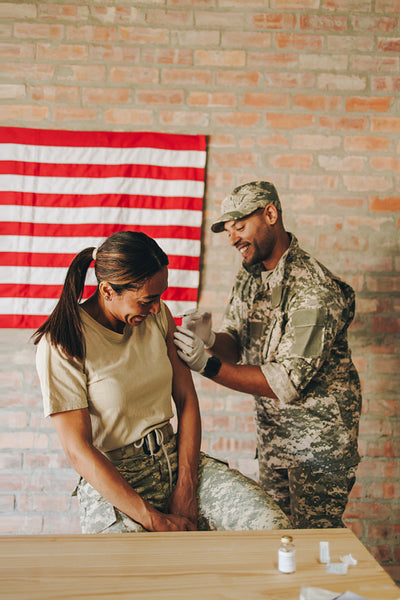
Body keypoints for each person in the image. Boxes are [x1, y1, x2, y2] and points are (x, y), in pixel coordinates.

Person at [33, 230, 289, 534]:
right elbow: (78, 450)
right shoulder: (63, 343)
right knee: (131, 572)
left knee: (272, 527)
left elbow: (187, 401)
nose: (157, 308)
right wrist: (154, 518)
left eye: (160, 297)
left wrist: (187, 486)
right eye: (147, 300)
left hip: (175, 460)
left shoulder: (157, 316)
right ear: (107, 291)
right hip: (116, 479)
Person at [174, 181, 362, 529]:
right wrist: (211, 339)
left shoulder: (314, 289)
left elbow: (285, 381)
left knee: (311, 542)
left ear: (271, 215)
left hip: (318, 449)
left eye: (240, 227)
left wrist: (205, 364)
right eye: (229, 231)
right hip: (275, 440)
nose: (233, 239)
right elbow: (237, 343)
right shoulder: (250, 278)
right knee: (276, 538)